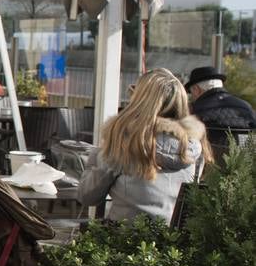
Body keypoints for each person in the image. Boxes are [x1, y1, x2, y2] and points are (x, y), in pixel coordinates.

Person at [78, 68, 211, 222]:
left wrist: (98, 154)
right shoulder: (194, 147)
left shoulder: (126, 142)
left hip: (124, 240)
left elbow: (87, 196)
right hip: (173, 241)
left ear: (139, 101)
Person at [185, 65, 256, 134]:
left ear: (196, 89)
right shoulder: (245, 107)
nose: (192, 97)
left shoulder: (196, 110)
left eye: (191, 92)